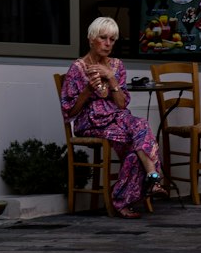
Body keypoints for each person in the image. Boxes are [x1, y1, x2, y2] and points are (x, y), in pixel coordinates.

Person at [60, 16, 166, 219]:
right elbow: (69, 111)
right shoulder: (77, 68)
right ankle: (152, 179)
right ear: (91, 38)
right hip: (90, 122)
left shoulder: (117, 65)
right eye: (103, 38)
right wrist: (87, 91)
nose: (108, 44)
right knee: (137, 137)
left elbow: (121, 103)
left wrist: (111, 77)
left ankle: (127, 195)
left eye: (112, 39)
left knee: (139, 131)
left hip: (118, 119)